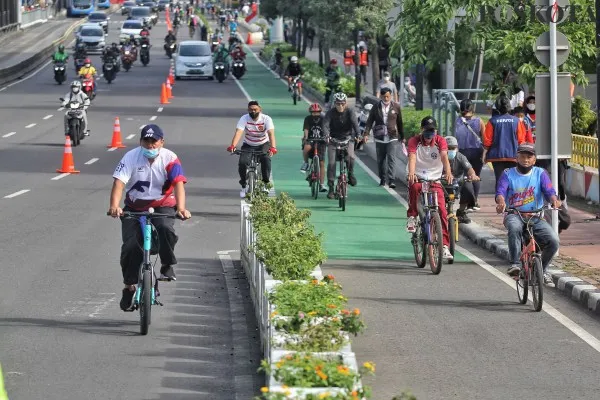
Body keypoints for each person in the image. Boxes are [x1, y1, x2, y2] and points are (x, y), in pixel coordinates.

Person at [108, 124, 192, 311]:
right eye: (146, 141)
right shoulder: (131, 156)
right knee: (131, 246)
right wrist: (114, 206)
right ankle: (129, 286)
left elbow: (179, 184)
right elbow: (119, 183)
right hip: (134, 207)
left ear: (162, 142)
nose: (150, 145)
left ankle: (167, 264)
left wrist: (182, 208)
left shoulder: (170, 158)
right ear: (140, 142)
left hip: (163, 205)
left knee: (165, 229)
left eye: (154, 141)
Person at [495, 142, 560, 285]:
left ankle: (541, 270)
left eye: (529, 157)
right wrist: (501, 202)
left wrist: (554, 200)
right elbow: (500, 191)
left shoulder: (540, 173)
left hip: (535, 216)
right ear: (516, 158)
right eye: (522, 156)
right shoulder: (507, 173)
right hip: (514, 214)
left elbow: (549, 191)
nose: (525, 159)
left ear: (534, 159)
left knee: (553, 242)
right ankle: (515, 264)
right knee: (515, 228)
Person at [405, 116, 454, 260]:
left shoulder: (440, 141)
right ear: (422, 130)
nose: (429, 134)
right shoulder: (414, 141)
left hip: (435, 178)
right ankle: (412, 217)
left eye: (432, 131)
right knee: (414, 188)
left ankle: (444, 246)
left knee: (443, 211)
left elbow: (444, 156)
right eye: (426, 131)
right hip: (418, 175)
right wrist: (412, 173)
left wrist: (448, 172)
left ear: (436, 131)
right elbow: (412, 157)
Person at [227, 101, 277, 198]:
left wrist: (273, 147)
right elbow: (239, 132)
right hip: (248, 144)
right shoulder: (244, 118)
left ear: (260, 110)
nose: (253, 111)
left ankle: (265, 183)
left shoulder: (266, 119)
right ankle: (243, 185)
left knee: (266, 159)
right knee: (242, 163)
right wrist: (233, 146)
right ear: (248, 110)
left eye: (255, 109)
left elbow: (271, 133)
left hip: (263, 144)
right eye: (251, 110)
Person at [482, 95, 527, 189]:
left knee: (500, 180)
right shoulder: (516, 121)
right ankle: (512, 201)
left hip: (497, 156)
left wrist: (484, 154)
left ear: (497, 107)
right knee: (513, 179)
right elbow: (521, 140)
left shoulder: (492, 121)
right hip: (513, 155)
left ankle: (500, 201)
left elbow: (487, 140)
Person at [363, 87, 404, 188]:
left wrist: (402, 136)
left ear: (391, 96)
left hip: (392, 137)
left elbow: (400, 123)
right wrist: (366, 134)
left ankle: (391, 180)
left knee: (391, 158)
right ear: (381, 96)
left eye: (388, 96)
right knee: (381, 160)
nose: (386, 98)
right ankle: (382, 179)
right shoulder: (376, 107)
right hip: (379, 137)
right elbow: (369, 121)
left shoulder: (396, 107)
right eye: (384, 96)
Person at [323, 92, 360, 198]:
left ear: (346, 103)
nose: (340, 106)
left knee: (351, 157)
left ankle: (350, 173)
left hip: (347, 139)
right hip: (333, 140)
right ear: (334, 103)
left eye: (342, 103)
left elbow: (355, 124)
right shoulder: (330, 113)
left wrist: (358, 134)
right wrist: (326, 135)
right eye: (338, 104)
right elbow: (325, 125)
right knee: (331, 163)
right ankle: (330, 188)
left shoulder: (350, 111)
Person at [454, 99, 484, 210]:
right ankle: (474, 202)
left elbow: (456, 137)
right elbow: (485, 139)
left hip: (462, 152)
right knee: (476, 176)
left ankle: (465, 202)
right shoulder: (479, 121)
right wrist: (485, 153)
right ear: (473, 109)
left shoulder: (457, 121)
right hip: (477, 151)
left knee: (465, 178)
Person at [444, 136, 480, 223]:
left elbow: (469, 168)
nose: (451, 150)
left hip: (457, 183)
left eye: (453, 148)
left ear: (457, 148)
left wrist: (473, 175)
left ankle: (461, 212)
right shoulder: (438, 157)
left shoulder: (460, 157)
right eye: (448, 148)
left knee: (468, 187)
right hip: (442, 183)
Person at [301, 103, 328, 193]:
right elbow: (306, 129)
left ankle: (321, 184)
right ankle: (305, 163)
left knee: (322, 163)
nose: (315, 114)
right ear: (310, 112)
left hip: (321, 141)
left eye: (317, 112)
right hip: (311, 139)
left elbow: (326, 129)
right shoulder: (307, 119)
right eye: (313, 112)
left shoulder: (324, 118)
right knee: (306, 149)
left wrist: (327, 137)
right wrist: (305, 137)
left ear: (320, 112)